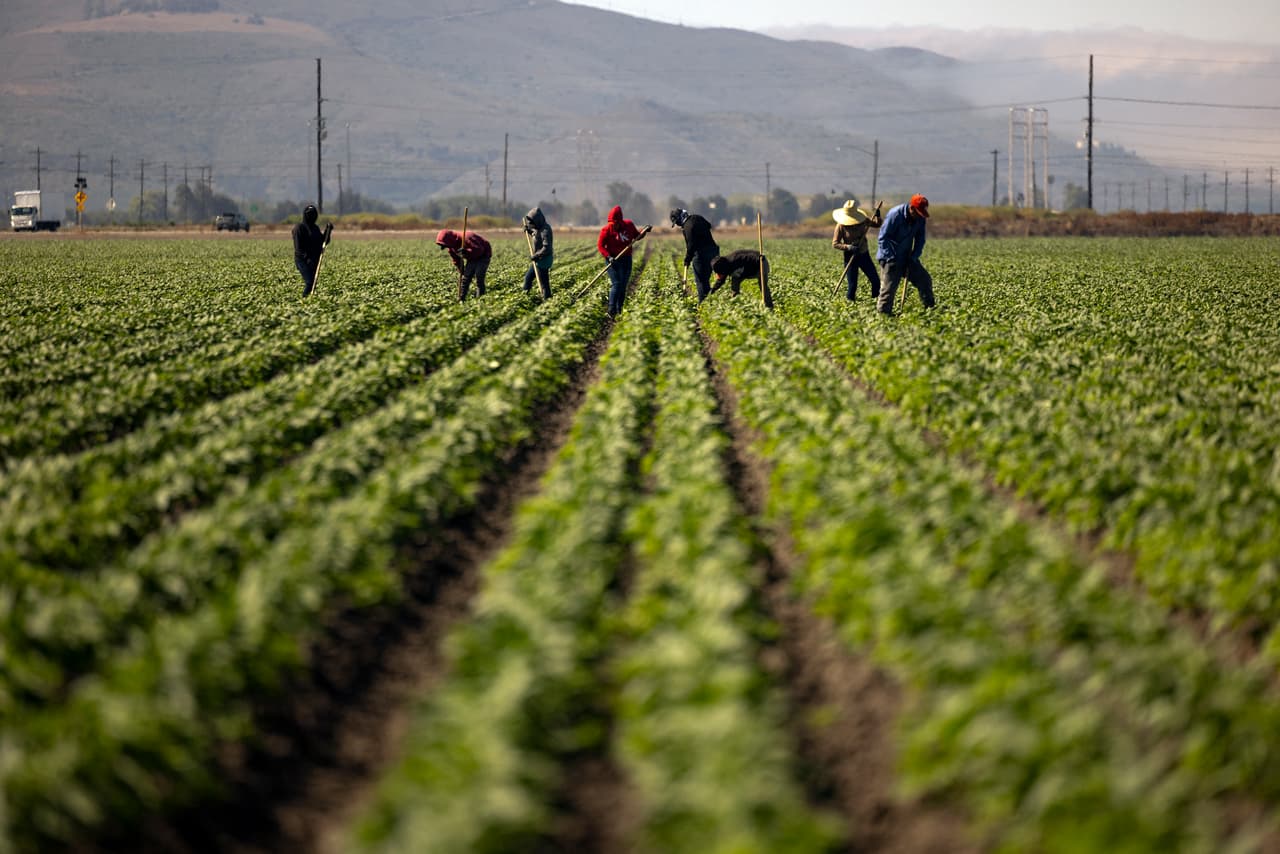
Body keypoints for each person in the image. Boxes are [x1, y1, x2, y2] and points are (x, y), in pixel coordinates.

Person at [875, 194, 935, 315]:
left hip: (907, 257)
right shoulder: (895, 215)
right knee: (889, 289)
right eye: (918, 213)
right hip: (889, 257)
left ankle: (930, 311)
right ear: (911, 208)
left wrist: (913, 257)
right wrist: (891, 258)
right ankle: (883, 316)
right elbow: (883, 238)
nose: (919, 216)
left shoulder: (920, 218)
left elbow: (920, 239)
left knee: (924, 280)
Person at [596, 205, 649, 316]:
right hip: (613, 260)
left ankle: (619, 308)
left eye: (615, 224)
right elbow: (600, 246)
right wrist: (608, 256)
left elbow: (637, 237)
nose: (613, 226)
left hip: (626, 259)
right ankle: (611, 309)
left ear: (620, 221)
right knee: (617, 283)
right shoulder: (606, 230)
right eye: (611, 224)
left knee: (623, 285)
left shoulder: (628, 225)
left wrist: (644, 231)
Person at [831, 198, 882, 302]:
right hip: (850, 257)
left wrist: (878, 216)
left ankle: (876, 303)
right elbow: (835, 244)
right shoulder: (841, 225)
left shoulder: (863, 220)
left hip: (864, 255)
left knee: (876, 281)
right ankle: (850, 305)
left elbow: (877, 224)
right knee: (852, 286)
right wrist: (849, 247)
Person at [670, 208, 719, 301]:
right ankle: (710, 301)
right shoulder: (697, 217)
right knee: (706, 280)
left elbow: (691, 246)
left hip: (701, 255)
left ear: (681, 218)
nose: (677, 224)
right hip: (713, 251)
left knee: (701, 281)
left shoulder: (688, 227)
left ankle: (703, 304)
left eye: (677, 222)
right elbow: (709, 225)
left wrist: (687, 259)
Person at [436, 228, 492, 302]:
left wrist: (466, 252)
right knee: (465, 279)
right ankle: (461, 299)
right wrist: (461, 270)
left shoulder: (467, 237)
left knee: (479, 276)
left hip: (483, 256)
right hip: (471, 258)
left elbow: (479, 250)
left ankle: (480, 298)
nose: (446, 247)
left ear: (450, 239)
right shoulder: (452, 247)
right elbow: (457, 260)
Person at [292, 204, 331, 297]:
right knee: (310, 282)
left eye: (314, 214)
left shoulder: (315, 228)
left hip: (314, 259)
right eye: (310, 214)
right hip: (302, 260)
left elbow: (324, 241)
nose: (312, 216)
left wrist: (328, 230)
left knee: (313, 282)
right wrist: (306, 258)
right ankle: (304, 299)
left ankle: (310, 299)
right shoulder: (299, 228)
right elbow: (298, 248)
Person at [522, 207, 554, 299]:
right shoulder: (539, 228)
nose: (532, 224)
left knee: (543, 283)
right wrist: (529, 230)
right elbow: (536, 235)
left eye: (532, 222)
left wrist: (536, 255)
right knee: (528, 278)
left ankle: (547, 301)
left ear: (538, 220)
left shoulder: (545, 230)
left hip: (543, 260)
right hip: (538, 259)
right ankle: (523, 298)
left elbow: (547, 248)